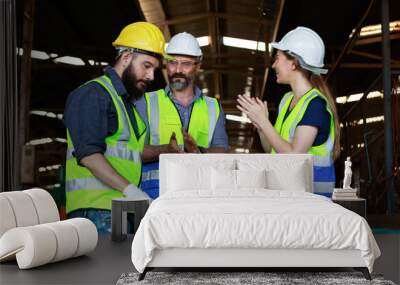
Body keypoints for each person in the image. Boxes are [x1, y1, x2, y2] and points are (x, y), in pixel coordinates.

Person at [63, 22, 166, 233]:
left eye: (154, 69)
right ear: (126, 57)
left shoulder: (127, 104)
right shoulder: (94, 94)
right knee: (106, 267)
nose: (151, 76)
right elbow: (89, 156)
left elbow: (128, 154)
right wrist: (130, 190)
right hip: (95, 210)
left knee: (122, 267)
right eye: (146, 66)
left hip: (120, 209)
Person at [237, 26, 340, 195]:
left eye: (277, 58)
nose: (274, 65)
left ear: (293, 63)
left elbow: (294, 155)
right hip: (290, 194)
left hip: (314, 200)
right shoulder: (286, 101)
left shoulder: (315, 105)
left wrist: (264, 121)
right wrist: (262, 127)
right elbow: (272, 147)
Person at [136, 32, 229, 199]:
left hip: (200, 195)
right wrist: (166, 149)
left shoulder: (213, 106)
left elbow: (221, 152)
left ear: (198, 66)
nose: (177, 70)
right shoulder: (146, 102)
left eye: (185, 64)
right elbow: (134, 151)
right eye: (172, 62)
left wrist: (198, 151)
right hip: (155, 197)